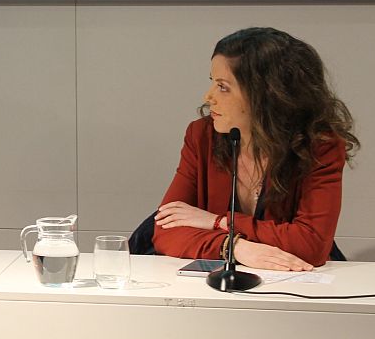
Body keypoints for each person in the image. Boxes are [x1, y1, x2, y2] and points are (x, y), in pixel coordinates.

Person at [152, 27, 359, 270]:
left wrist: (217, 221)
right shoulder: (202, 135)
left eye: (223, 87)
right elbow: (165, 229)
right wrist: (234, 247)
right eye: (212, 83)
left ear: (266, 94)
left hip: (292, 277)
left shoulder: (320, 146)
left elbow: (310, 244)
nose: (208, 97)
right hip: (219, 275)